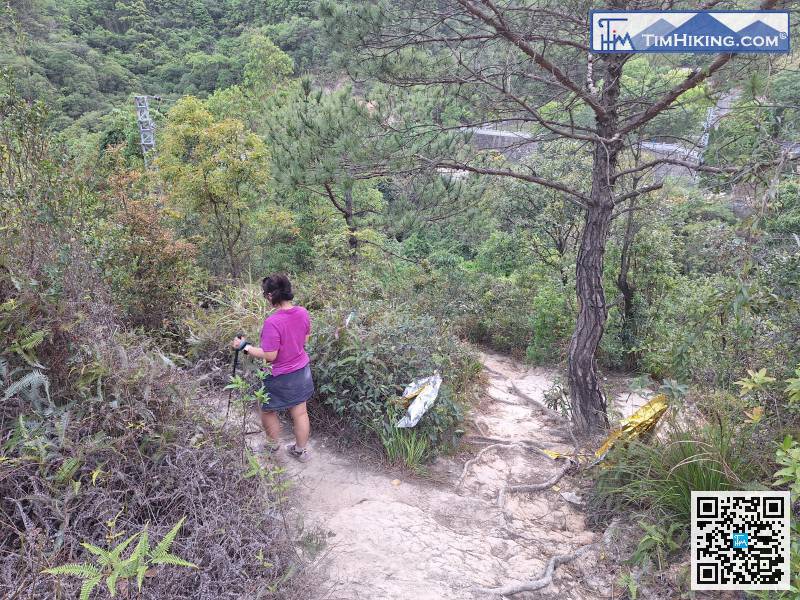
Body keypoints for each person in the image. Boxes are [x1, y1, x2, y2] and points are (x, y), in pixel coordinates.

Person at [231, 274, 314, 462]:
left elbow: (270, 356)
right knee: (300, 412)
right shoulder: (302, 312)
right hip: (302, 370)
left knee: (267, 410)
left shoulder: (273, 322)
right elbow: (305, 339)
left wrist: (245, 347)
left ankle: (272, 446)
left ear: (270, 296)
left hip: (281, 375)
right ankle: (300, 451)